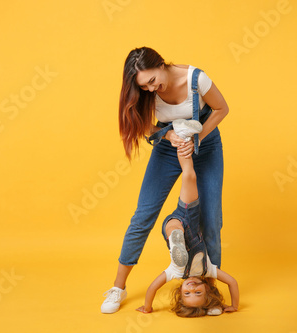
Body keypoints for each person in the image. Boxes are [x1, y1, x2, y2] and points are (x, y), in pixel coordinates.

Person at [101, 47, 229, 314]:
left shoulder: (196, 79)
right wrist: (169, 137)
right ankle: (118, 287)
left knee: (211, 219)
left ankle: (209, 289)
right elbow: (137, 122)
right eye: (144, 86)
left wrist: (198, 137)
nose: (151, 88)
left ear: (160, 64)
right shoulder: (146, 92)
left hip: (204, 146)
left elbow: (221, 108)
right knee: (143, 215)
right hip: (168, 148)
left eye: (151, 81)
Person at [135, 132, 239, 317]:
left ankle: (176, 238)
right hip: (188, 217)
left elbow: (153, 287)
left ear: (180, 291)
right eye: (198, 293)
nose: (192, 288)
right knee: (189, 175)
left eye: (187, 293)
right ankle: (177, 238)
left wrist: (148, 307)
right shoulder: (208, 269)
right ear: (208, 289)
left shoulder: (175, 272)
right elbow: (232, 282)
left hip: (175, 223)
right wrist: (234, 305)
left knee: (174, 227)